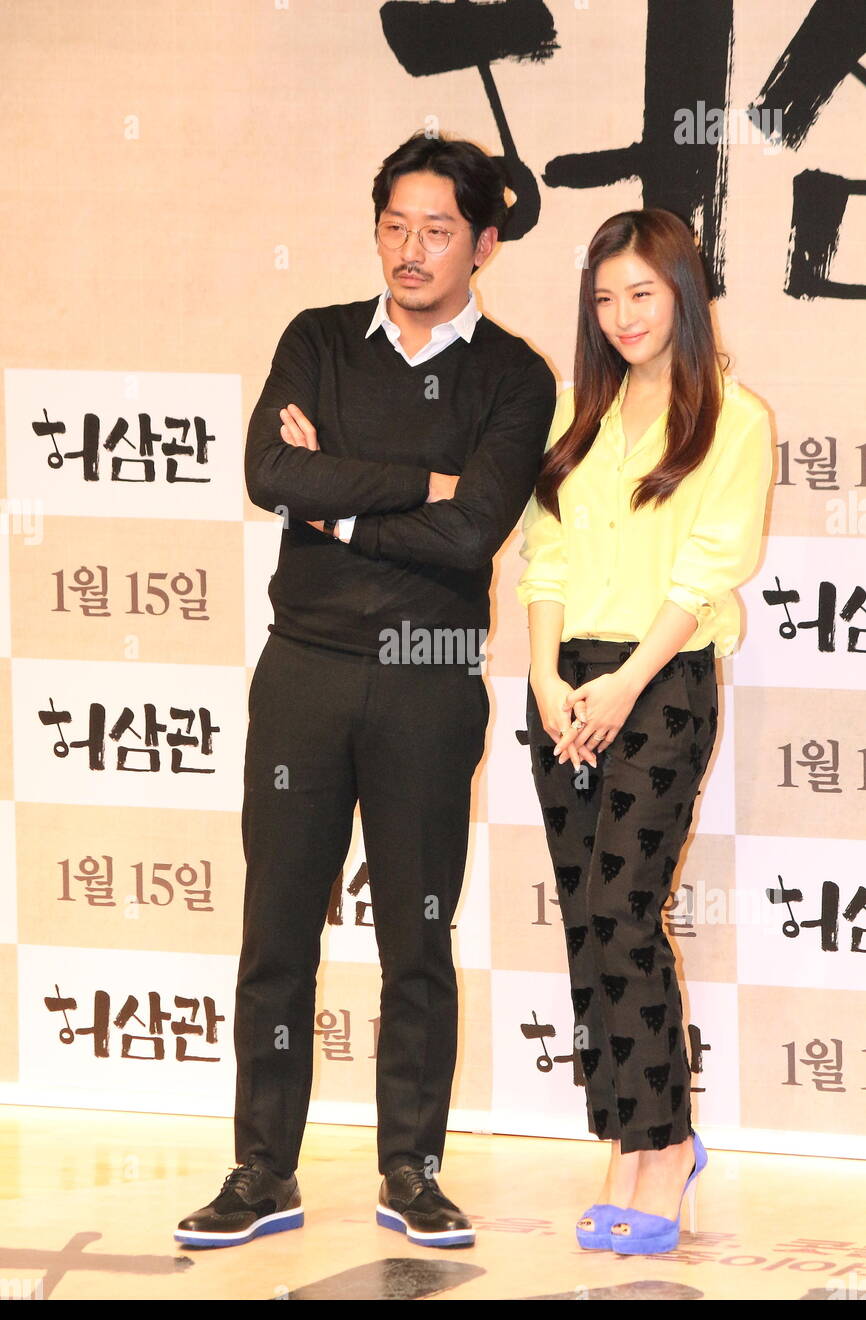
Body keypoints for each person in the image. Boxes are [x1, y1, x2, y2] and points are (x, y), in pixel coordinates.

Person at [174, 131, 555, 1249]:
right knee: (276, 932)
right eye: (394, 224)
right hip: (304, 667)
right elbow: (267, 471)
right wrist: (407, 486)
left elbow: (473, 529)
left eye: (438, 230)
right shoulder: (319, 342)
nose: (410, 248)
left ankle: (411, 1169)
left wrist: (334, 504)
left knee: (416, 937)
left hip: (428, 681)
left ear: (484, 243)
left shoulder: (515, 376)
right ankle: (260, 1171)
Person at [516, 207, 773, 1255]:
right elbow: (543, 555)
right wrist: (541, 675)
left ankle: (664, 1143)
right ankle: (621, 1136)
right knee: (586, 921)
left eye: (641, 293)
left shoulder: (733, 418)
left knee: (624, 910)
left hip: (657, 682)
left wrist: (623, 680)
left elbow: (708, 564)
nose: (622, 315)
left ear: (679, 291)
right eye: (604, 298)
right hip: (563, 688)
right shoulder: (572, 414)